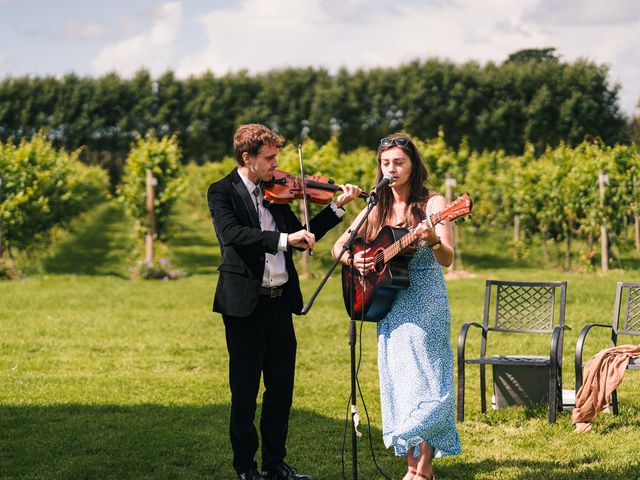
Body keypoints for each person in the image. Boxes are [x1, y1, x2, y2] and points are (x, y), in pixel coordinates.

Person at [208, 124, 362, 480]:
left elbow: (303, 236)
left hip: (279, 305)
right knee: (244, 390)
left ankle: (275, 465)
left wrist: (337, 208)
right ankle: (246, 468)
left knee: (281, 390)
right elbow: (232, 235)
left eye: (277, 157)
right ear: (247, 158)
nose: (276, 165)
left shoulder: (276, 193)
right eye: (270, 158)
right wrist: (282, 239)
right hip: (245, 307)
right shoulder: (222, 191)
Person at [331, 133, 461, 480]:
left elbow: (447, 258)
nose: (392, 169)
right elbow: (338, 246)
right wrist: (354, 260)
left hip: (426, 299)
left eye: (399, 162)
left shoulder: (435, 204)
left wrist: (432, 239)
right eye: (386, 163)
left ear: (412, 164)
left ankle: (424, 468)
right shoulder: (376, 204)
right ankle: (412, 468)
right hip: (388, 302)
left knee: (430, 383)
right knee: (400, 385)